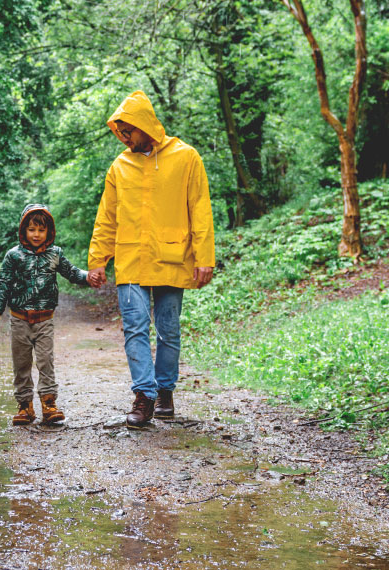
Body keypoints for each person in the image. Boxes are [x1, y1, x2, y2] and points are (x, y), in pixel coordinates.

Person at [87, 90, 214, 429]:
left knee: (168, 330)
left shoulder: (187, 158)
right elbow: (107, 217)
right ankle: (144, 396)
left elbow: (200, 210)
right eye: (120, 132)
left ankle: (165, 391)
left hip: (173, 256)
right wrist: (98, 259)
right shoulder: (120, 166)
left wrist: (205, 257)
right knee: (135, 327)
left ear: (145, 125)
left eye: (128, 131)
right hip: (130, 259)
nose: (124, 138)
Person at [0, 204, 103, 425]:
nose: (36, 235)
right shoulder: (13, 256)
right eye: (31, 230)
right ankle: (24, 406)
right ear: (23, 230)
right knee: (21, 364)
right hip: (19, 318)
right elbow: (3, 283)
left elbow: (71, 272)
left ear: (48, 232)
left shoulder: (55, 254)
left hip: (45, 320)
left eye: (41, 230)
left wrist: (87, 276)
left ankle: (49, 404)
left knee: (45, 362)